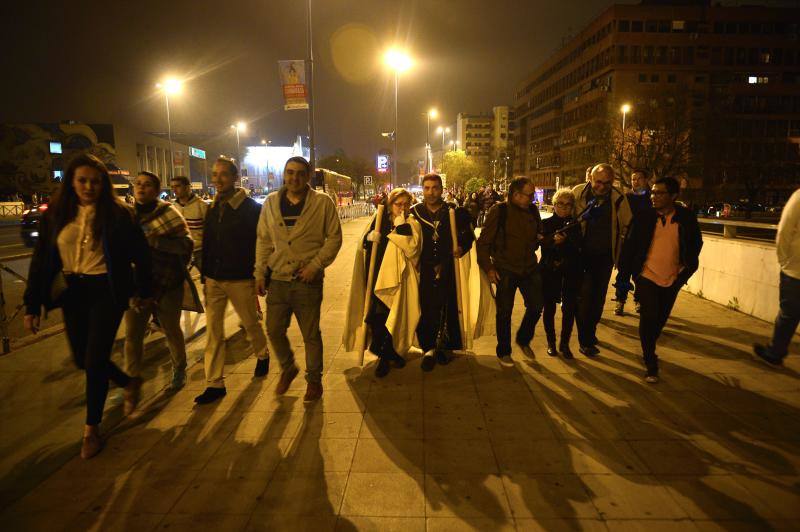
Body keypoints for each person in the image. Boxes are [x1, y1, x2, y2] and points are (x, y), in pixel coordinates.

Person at [23, 154, 152, 459]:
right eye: (82, 180)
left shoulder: (118, 215)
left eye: (95, 181)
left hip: (105, 291)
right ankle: (128, 381)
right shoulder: (56, 214)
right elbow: (41, 261)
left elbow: (142, 255)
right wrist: (32, 304)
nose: (88, 186)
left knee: (95, 361)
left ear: (103, 184)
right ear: (71, 182)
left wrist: (143, 291)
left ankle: (91, 429)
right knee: (82, 359)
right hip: (73, 292)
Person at [255, 156, 343, 402]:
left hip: (307, 281)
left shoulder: (322, 203)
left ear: (308, 176)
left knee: (311, 334)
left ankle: (314, 381)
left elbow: (335, 237)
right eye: (290, 172)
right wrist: (259, 273)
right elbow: (263, 240)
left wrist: (315, 266)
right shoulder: (271, 203)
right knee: (273, 330)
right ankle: (287, 366)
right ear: (284, 174)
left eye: (300, 173)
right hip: (279, 280)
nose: (294, 178)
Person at [195, 158, 269, 405]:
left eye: (223, 175)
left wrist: (261, 274)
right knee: (214, 333)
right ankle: (215, 383)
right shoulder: (213, 206)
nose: (217, 180)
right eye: (215, 175)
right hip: (214, 278)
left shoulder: (250, 209)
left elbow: (263, 243)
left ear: (234, 178)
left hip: (240, 278)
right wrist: (205, 275)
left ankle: (262, 353)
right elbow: (208, 242)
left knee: (250, 323)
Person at [621, 177, 702, 383]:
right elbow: (629, 246)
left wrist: (685, 270)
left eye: (659, 193)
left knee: (659, 320)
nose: (654, 196)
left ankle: (648, 345)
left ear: (673, 196)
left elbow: (696, 244)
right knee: (649, 316)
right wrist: (626, 275)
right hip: (646, 275)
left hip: (673, 278)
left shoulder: (686, 217)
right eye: (653, 192)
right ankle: (651, 362)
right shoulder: (643, 216)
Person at [123, 171, 193, 394]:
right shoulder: (127, 216)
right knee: (133, 334)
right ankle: (132, 380)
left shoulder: (168, 213)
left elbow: (186, 245)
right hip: (136, 286)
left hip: (167, 283)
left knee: (171, 329)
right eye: (138, 184)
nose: (141, 188)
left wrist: (156, 242)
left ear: (156, 190)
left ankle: (179, 368)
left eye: (147, 185)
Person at [343, 188, 422, 378]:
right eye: (398, 204)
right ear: (390, 204)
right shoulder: (379, 221)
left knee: (395, 318)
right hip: (379, 276)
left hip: (400, 280)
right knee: (379, 318)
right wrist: (369, 240)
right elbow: (366, 245)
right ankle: (385, 356)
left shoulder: (411, 223)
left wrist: (401, 225)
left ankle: (391, 353)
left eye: (405, 204)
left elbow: (412, 248)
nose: (401, 208)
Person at [411, 173, 475, 371]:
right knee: (427, 307)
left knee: (447, 305)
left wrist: (461, 248)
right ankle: (428, 348)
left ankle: (444, 347)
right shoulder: (414, 213)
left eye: (435, 188)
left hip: (448, 267)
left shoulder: (453, 212)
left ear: (442, 189)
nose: (431, 192)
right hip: (425, 268)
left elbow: (469, 235)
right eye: (427, 188)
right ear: (423, 189)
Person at [477, 176, 543, 366]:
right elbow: (483, 243)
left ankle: (523, 338)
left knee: (537, 305)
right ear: (515, 195)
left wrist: (544, 238)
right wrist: (489, 268)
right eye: (529, 195)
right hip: (505, 269)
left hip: (529, 267)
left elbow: (539, 234)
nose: (532, 199)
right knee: (504, 312)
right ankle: (504, 351)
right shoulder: (500, 211)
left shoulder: (532, 210)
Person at [572, 163, 633, 357]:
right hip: (581, 256)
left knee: (598, 300)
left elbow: (628, 225)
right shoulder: (578, 193)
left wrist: (623, 255)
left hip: (605, 258)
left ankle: (589, 333)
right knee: (585, 298)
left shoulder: (618, 198)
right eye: (599, 182)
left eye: (607, 183)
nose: (602, 187)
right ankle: (586, 339)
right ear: (591, 178)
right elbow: (566, 216)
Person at [753, 187, 800, 366]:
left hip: (795, 271)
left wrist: (784, 261)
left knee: (788, 314)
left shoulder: (798, 197)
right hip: (795, 269)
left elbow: (784, 231)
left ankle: (775, 352)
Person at [540, 188, 582, 359]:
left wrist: (566, 242)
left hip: (570, 272)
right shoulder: (547, 223)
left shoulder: (576, 224)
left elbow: (580, 247)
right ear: (554, 204)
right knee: (549, 308)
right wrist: (552, 242)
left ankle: (564, 343)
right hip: (550, 271)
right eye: (560, 204)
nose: (564, 208)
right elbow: (542, 245)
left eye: (568, 205)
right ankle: (551, 342)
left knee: (569, 309)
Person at [613, 170, 651, 316]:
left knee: (640, 275)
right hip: (627, 241)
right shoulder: (626, 198)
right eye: (633, 179)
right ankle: (620, 300)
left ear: (645, 180)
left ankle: (639, 300)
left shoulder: (651, 198)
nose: (636, 182)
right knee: (623, 273)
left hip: (645, 242)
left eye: (639, 179)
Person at [171, 175, 207, 272]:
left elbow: (210, 231)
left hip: (200, 251)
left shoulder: (202, 206)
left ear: (187, 187)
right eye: (172, 187)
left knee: (209, 279)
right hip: (181, 252)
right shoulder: (172, 208)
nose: (174, 190)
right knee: (180, 282)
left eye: (178, 186)